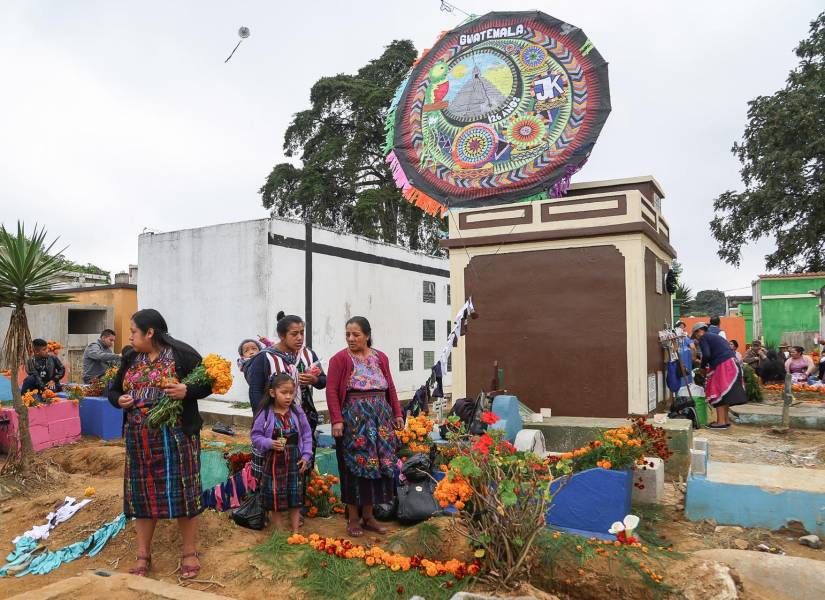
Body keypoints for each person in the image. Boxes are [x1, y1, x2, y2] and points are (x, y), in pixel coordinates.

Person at [107, 309, 211, 579]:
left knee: (184, 492)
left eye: (134, 332)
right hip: (139, 439)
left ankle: (189, 552)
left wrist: (186, 391)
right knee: (142, 495)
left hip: (177, 437)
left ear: (150, 332)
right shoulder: (131, 357)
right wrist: (119, 400)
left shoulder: (182, 354)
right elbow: (114, 389)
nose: (130, 337)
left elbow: (208, 383)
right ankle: (143, 555)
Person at [326, 316, 403, 537]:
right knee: (353, 465)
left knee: (376, 464)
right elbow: (331, 391)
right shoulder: (339, 359)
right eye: (347, 335)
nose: (351, 338)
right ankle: (353, 518)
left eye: (356, 334)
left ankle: (369, 517)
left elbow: (390, 387)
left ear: (367, 336)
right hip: (354, 421)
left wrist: (397, 413)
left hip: (380, 419)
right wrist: (336, 420)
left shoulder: (381, 358)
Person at [246, 312, 325, 459]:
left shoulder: (308, 354)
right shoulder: (265, 358)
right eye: (294, 334)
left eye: (302, 333)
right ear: (282, 336)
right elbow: (255, 391)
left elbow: (323, 381)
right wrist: (262, 419)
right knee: (277, 460)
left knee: (304, 457)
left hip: (304, 417)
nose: (300, 337)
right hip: (275, 419)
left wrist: (314, 380)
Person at [251, 374, 312, 533]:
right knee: (275, 495)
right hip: (273, 461)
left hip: (294, 459)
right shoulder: (265, 413)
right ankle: (278, 533)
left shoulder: (297, 412)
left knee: (295, 495)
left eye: (291, 392)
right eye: (284, 392)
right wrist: (269, 443)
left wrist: (306, 456)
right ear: (272, 393)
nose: (288, 396)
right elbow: (256, 436)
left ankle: (295, 532)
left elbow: (307, 435)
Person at [692, 322, 746, 429]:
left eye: (695, 335)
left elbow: (706, 354)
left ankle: (720, 422)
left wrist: (702, 368)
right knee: (725, 393)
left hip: (724, 365)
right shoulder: (715, 336)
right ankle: (725, 420)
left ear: (699, 331)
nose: (696, 338)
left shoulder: (704, 337)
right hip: (732, 364)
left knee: (717, 391)